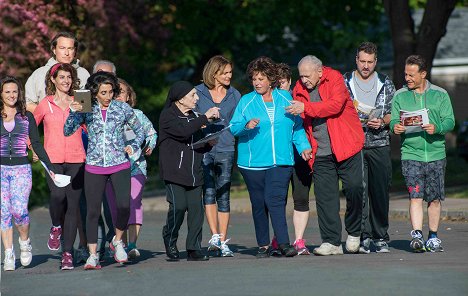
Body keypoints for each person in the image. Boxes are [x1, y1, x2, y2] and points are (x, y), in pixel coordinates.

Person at [230, 57, 312, 258]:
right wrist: (245, 126)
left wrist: (304, 146)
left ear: (271, 79)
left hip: (281, 160)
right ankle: (264, 245)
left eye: (261, 78)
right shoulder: (246, 101)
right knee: (259, 203)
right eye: (254, 79)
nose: (257, 82)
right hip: (253, 163)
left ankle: (283, 243)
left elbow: (297, 127)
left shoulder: (285, 98)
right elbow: (233, 127)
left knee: (274, 200)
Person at [64, 72, 144, 269]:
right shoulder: (86, 108)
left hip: (120, 164)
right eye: (104, 93)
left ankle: (117, 240)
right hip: (94, 165)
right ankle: (93, 255)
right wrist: (73, 113)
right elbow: (67, 131)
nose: (109, 96)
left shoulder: (122, 108)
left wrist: (133, 147)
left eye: (110, 92)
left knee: (124, 206)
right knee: (92, 211)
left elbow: (139, 131)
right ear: (94, 93)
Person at [286, 55, 365, 256]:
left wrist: (306, 108)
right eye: (301, 76)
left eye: (307, 75)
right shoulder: (298, 88)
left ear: (319, 72)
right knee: (325, 198)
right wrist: (304, 145)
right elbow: (300, 122)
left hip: (346, 145)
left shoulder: (335, 79)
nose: (303, 80)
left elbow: (334, 106)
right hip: (320, 151)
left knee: (355, 188)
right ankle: (331, 242)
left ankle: (354, 232)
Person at [390, 55, 455, 253]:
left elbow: (450, 122)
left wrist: (437, 128)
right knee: (415, 196)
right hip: (411, 154)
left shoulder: (440, 94)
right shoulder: (400, 96)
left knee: (434, 198)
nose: (407, 78)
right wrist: (396, 127)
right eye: (405, 74)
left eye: (411, 75)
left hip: (436, 154)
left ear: (423, 74)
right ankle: (417, 235)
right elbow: (393, 121)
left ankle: (433, 237)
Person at [159, 81, 220, 262]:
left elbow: (195, 143)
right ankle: (169, 238)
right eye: (192, 95)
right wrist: (204, 119)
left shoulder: (195, 116)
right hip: (174, 172)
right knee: (178, 207)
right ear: (180, 99)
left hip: (194, 171)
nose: (197, 98)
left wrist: (208, 143)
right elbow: (183, 132)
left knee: (196, 211)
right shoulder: (168, 115)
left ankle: (194, 248)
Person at [343, 42, 395, 254]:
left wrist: (382, 121)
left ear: (376, 62)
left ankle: (380, 235)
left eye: (370, 62)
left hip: (379, 142)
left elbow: (395, 112)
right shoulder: (344, 82)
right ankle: (362, 235)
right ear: (356, 60)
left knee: (380, 191)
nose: (365, 66)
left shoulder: (385, 83)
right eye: (362, 61)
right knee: (358, 190)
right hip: (353, 143)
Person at [33, 63, 85, 270]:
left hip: (76, 158)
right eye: (61, 77)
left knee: (73, 206)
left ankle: (67, 254)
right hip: (52, 158)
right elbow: (30, 128)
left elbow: (90, 127)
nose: (66, 81)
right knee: (57, 196)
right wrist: (33, 148)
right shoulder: (45, 104)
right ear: (53, 80)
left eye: (69, 77)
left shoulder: (80, 100)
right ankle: (56, 226)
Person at [1, 76, 55, 271]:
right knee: (4, 212)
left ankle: (24, 242)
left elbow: (37, 143)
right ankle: (8, 253)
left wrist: (50, 166)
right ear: (1, 94)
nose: (11, 95)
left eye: (14, 91)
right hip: (0, 170)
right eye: (7, 91)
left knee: (20, 211)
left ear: (19, 93)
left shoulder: (26, 117)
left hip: (21, 169)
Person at [194, 55, 241, 257]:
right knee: (209, 191)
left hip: (226, 147)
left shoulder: (235, 95)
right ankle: (214, 236)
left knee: (223, 193)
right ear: (214, 73)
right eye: (225, 73)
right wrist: (203, 120)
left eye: (230, 72)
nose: (229, 76)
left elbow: (237, 121)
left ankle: (222, 239)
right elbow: (189, 116)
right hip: (204, 147)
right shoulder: (198, 92)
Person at [106, 78, 157, 259]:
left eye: (122, 93)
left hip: (136, 167)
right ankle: (121, 243)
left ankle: (133, 245)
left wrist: (150, 145)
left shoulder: (138, 115)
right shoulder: (106, 117)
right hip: (111, 168)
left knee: (133, 203)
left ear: (129, 96)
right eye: (115, 92)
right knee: (117, 207)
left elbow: (151, 133)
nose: (118, 96)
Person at [271, 62, 312, 255]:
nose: (281, 88)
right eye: (276, 84)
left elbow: (301, 127)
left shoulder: (299, 98)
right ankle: (279, 238)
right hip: (279, 156)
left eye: (283, 83)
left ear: (290, 82)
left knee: (301, 197)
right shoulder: (269, 103)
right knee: (278, 199)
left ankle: (299, 240)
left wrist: (305, 147)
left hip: (300, 154)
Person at [25, 32, 90, 113]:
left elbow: (84, 107)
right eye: (62, 48)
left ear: (75, 51)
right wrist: (51, 115)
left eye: (70, 48)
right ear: (54, 50)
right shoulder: (39, 74)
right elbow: (28, 104)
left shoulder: (83, 74)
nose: (66, 53)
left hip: (75, 123)